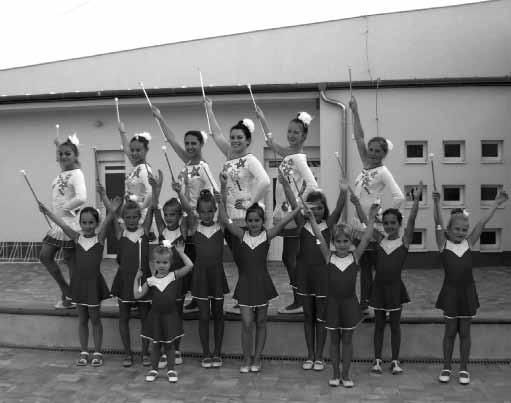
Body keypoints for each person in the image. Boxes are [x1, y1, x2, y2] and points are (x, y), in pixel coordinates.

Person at [217, 172, 301, 373]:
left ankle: (257, 358)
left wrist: (298, 207)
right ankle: (246, 358)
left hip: (262, 284)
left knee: (261, 321)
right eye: (251, 220)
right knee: (247, 323)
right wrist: (222, 189)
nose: (254, 223)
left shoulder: (267, 235)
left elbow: (282, 223)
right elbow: (224, 218)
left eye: (257, 220)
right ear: (246, 221)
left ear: (262, 221)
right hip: (245, 285)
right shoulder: (241, 234)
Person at [39, 189, 121, 367]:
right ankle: (84, 351)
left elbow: (108, 219)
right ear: (80, 223)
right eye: (84, 222)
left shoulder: (100, 238)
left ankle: (98, 352)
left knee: (95, 319)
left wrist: (112, 207)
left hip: (93, 284)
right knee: (82, 320)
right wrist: (47, 211)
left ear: (96, 223)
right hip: (78, 284)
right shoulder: (76, 237)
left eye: (91, 222)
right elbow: (61, 223)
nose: (87, 225)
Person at [433, 189, 508, 385]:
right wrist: (436, 203)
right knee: (449, 332)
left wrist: (495, 203)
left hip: (467, 294)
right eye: (457, 229)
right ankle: (447, 366)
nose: (461, 232)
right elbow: (438, 223)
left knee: (465, 333)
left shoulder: (469, 243)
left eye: (464, 230)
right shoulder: (443, 244)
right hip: (450, 294)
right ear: (449, 230)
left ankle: (464, 368)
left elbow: (482, 223)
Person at [151, 106, 217, 313]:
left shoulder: (203, 167)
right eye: (187, 143)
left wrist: (199, 212)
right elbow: (171, 140)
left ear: (201, 145)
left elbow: (214, 193)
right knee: (182, 258)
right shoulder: (187, 162)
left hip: (194, 221)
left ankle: (198, 299)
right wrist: (161, 117)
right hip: (182, 221)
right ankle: (182, 294)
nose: (188, 146)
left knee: (193, 260)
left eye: (193, 143)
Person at [354, 182, 423, 375]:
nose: (389, 226)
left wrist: (415, 200)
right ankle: (377, 360)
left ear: (399, 225)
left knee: (395, 326)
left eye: (393, 223)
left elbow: (412, 221)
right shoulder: (379, 240)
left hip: (394, 289)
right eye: (386, 223)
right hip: (379, 289)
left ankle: (394, 360)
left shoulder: (404, 241)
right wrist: (364, 211)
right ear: (382, 225)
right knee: (379, 326)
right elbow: (365, 224)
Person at [255, 106, 319, 314]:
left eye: (296, 133)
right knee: (289, 257)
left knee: (291, 258)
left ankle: (300, 300)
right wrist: (263, 118)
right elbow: (270, 142)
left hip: (293, 215)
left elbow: (312, 186)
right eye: (289, 131)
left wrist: (296, 204)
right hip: (285, 214)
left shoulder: (299, 158)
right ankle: (300, 298)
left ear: (304, 135)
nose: (291, 135)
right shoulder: (289, 154)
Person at [281, 173, 348, 372]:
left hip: (323, 277)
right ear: (306, 209)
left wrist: (343, 191)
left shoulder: (330, 224)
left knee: (321, 317)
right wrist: (286, 186)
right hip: (304, 276)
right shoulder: (303, 224)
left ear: (324, 209)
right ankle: (310, 355)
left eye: (320, 208)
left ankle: (320, 356)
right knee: (308, 315)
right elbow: (294, 202)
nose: (316, 211)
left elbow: (339, 207)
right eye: (312, 207)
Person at [308, 202, 379, 388]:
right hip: (332, 305)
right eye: (338, 241)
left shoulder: (355, 257)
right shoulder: (328, 256)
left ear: (350, 242)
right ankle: (335, 374)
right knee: (333, 341)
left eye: (345, 241)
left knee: (347, 340)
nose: (341, 245)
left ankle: (346, 375)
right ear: (333, 242)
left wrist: (371, 218)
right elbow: (319, 236)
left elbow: (367, 237)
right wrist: (311, 218)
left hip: (349, 305)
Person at [349, 96, 404, 315]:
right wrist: (355, 111)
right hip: (357, 225)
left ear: (384, 154)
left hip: (370, 226)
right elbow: (359, 137)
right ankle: (366, 303)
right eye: (371, 149)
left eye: (377, 151)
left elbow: (399, 196)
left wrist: (385, 218)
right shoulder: (365, 164)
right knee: (361, 267)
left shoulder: (383, 172)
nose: (371, 152)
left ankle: (372, 304)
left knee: (371, 268)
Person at [176, 187, 228, 368]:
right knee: (204, 315)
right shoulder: (195, 225)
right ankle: (206, 353)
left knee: (219, 314)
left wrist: (221, 196)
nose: (207, 215)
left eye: (210, 211)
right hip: (201, 277)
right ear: (198, 212)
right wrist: (179, 192)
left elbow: (224, 210)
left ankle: (218, 353)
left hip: (216, 276)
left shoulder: (220, 225)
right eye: (203, 211)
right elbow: (187, 209)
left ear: (214, 211)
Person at [204, 98, 270, 225]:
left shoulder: (250, 160)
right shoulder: (230, 155)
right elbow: (217, 135)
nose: (235, 140)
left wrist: (251, 203)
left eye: (239, 137)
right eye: (232, 137)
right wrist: (209, 110)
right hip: (227, 216)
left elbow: (265, 181)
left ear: (248, 141)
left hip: (243, 217)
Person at [135, 242, 193, 383]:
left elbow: (190, 266)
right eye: (158, 262)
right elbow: (137, 295)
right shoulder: (150, 281)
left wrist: (180, 252)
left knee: (169, 345)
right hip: (155, 317)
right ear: (153, 263)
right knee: (155, 345)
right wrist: (136, 278)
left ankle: (171, 370)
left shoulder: (173, 276)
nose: (162, 265)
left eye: (165, 262)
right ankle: (154, 369)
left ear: (170, 263)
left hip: (170, 317)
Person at [40, 134, 87, 309]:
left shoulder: (76, 174)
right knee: (45, 256)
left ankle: (70, 298)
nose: (63, 157)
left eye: (67, 153)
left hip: (70, 223)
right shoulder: (62, 174)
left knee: (70, 261)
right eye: (60, 154)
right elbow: (58, 198)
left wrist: (65, 208)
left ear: (75, 156)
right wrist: (50, 211)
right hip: (58, 223)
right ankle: (67, 291)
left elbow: (82, 197)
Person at [149, 171, 188, 367]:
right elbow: (155, 208)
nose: (169, 217)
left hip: (177, 281)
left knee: (176, 314)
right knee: (162, 313)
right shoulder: (162, 229)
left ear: (180, 216)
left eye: (173, 214)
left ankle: (176, 347)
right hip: (161, 280)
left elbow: (189, 210)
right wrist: (158, 188)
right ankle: (164, 348)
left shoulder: (183, 230)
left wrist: (182, 190)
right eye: (167, 215)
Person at [110, 197, 154, 367]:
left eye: (134, 217)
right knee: (123, 318)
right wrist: (113, 209)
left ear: (139, 218)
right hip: (124, 281)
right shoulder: (121, 233)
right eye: (127, 217)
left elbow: (151, 208)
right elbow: (113, 217)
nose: (131, 220)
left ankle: (145, 353)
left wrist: (155, 191)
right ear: (123, 218)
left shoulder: (144, 231)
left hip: (142, 280)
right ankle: (127, 353)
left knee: (145, 318)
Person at [118, 121, 153, 220]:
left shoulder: (145, 169)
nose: (134, 153)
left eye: (138, 150)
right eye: (132, 150)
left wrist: (140, 208)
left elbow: (151, 193)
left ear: (146, 150)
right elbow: (126, 148)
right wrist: (122, 132)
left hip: (139, 217)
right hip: (129, 214)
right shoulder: (136, 167)